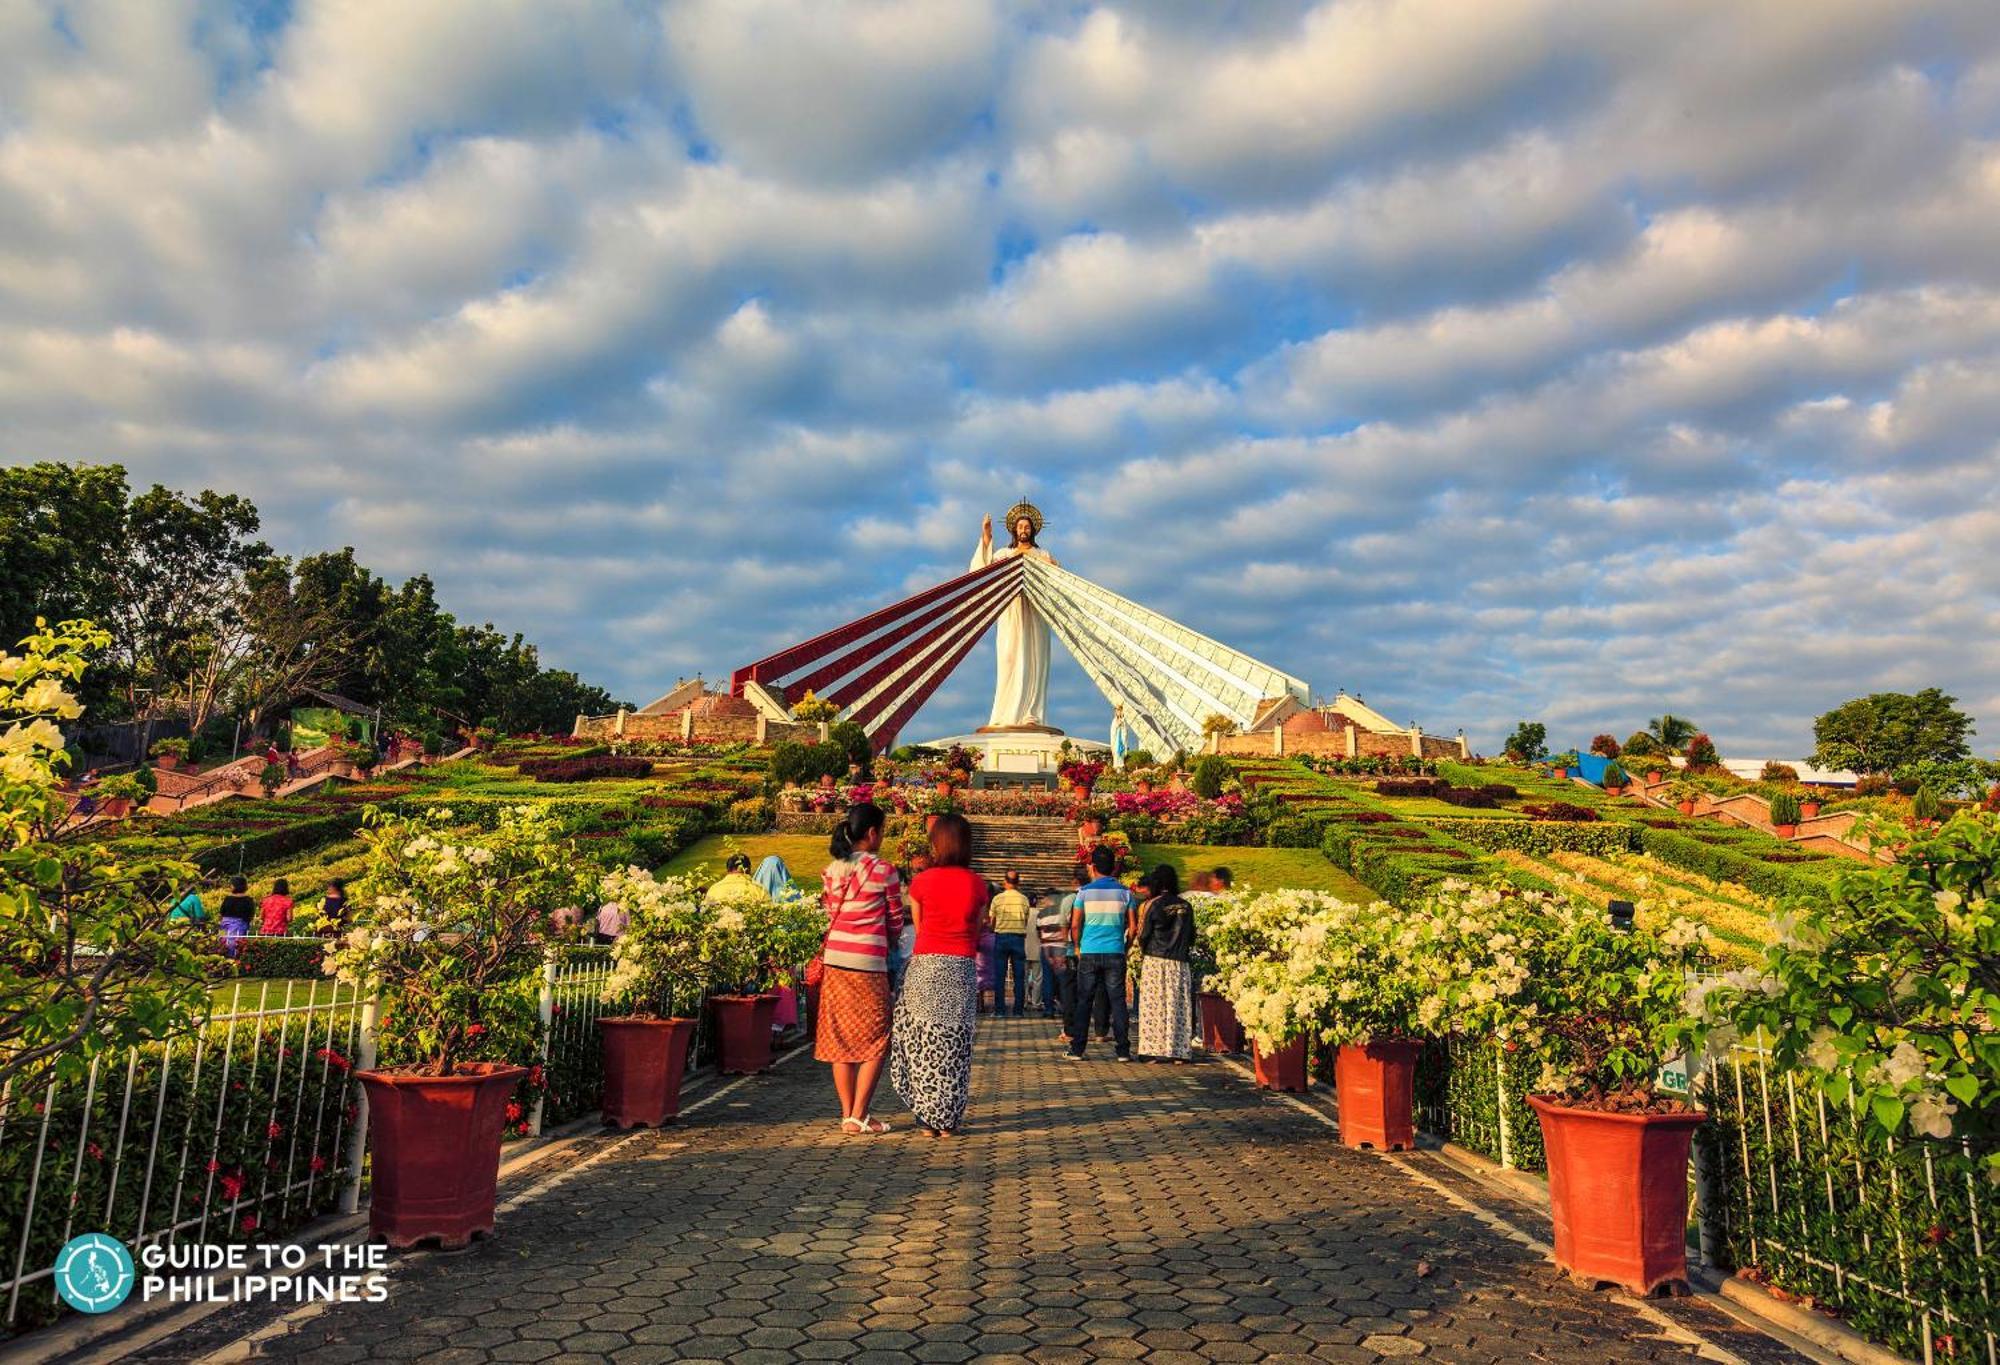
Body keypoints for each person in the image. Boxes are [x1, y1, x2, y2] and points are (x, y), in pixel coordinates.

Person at [889, 813, 989, 1137]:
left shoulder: (922, 882)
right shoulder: (977, 884)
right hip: (960, 967)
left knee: (922, 1042)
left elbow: (919, 927)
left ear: (936, 844)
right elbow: (978, 928)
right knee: (956, 1044)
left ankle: (926, 1117)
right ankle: (949, 1119)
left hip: (927, 966)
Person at [817, 803, 904, 1136]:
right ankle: (860, 1114)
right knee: (876, 1037)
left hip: (836, 958)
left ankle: (847, 1114)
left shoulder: (832, 869)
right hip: (868, 961)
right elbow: (895, 918)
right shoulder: (884, 870)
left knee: (840, 1035)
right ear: (872, 833)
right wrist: (890, 940)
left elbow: (828, 913)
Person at [1064, 846, 1136, 1062]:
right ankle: (1123, 1050)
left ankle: (1078, 1049)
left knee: (1084, 999)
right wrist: (1126, 947)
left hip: (1089, 951)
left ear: (1092, 866)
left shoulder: (1084, 893)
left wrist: (1077, 947)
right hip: (1115, 951)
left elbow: (1075, 925)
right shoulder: (1125, 892)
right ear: (1114, 867)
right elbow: (1132, 927)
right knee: (1118, 1001)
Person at [1135, 866, 1195, 1062]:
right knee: (1178, 1005)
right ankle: (1178, 1051)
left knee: (1154, 1005)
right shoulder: (1186, 906)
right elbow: (1191, 936)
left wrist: (1143, 951)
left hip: (1155, 958)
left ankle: (1153, 1050)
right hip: (1179, 961)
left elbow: (1144, 935)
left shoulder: (1155, 905)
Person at [986, 871, 1032, 1017]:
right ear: (1018, 882)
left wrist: (993, 929)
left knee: (1000, 976)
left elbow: (992, 920)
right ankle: (1018, 1011)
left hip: (1001, 938)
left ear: (1005, 882)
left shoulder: (997, 899)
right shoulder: (1024, 899)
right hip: (1018, 938)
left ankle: (1000, 1010)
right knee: (1019, 976)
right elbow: (1025, 920)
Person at [1034, 886, 1071, 1020]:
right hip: (1061, 948)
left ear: (1047, 898)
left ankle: (1049, 1010)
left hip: (1046, 949)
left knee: (1047, 979)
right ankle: (1064, 1008)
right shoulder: (1064, 912)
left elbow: (1039, 932)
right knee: (1062, 980)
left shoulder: (1041, 914)